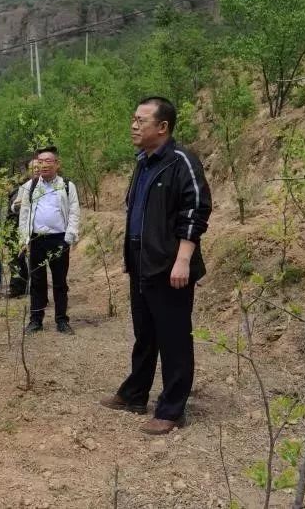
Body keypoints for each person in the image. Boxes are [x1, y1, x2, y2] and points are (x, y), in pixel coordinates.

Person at [100, 96, 212, 435]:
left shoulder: (182, 161)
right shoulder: (143, 162)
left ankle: (172, 409)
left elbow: (196, 211)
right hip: (141, 261)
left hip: (169, 265)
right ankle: (135, 393)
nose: (134, 126)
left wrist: (182, 260)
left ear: (162, 127)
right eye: (133, 119)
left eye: (141, 120)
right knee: (145, 333)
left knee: (174, 337)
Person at [18, 147, 80, 335]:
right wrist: (24, 238)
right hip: (37, 240)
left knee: (60, 282)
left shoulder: (67, 185)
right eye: (40, 161)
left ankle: (61, 320)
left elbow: (74, 212)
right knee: (37, 281)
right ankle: (36, 320)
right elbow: (24, 213)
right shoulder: (31, 186)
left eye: (48, 161)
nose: (43, 165)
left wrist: (69, 237)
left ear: (57, 164)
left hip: (59, 239)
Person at [7, 160, 40, 298]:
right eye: (33, 167)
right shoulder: (24, 187)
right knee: (19, 259)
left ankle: (38, 293)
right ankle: (20, 289)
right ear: (29, 171)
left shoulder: (54, 186)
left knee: (38, 263)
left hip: (42, 230)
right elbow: (13, 208)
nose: (37, 169)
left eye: (39, 166)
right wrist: (18, 205)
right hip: (24, 230)